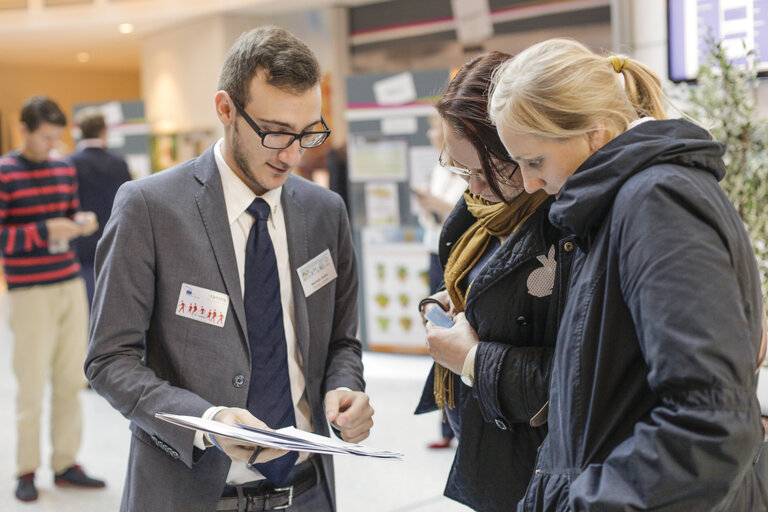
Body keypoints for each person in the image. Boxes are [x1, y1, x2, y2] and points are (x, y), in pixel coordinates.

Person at [85, 26, 374, 512]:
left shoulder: (325, 212)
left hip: (306, 491)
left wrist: (347, 389)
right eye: (276, 131)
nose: (292, 154)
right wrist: (208, 421)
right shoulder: (150, 208)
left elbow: (341, 341)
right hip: (190, 494)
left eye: (308, 133)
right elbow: (109, 360)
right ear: (225, 110)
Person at [489, 38, 768, 510]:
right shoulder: (615, 207)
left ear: (595, 135)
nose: (530, 183)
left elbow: (710, 422)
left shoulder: (657, 202)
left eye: (535, 161)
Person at [414, 51, 569, 512]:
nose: (472, 187)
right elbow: (485, 283)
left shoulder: (567, 225)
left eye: (482, 171)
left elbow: (580, 378)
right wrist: (448, 302)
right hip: (489, 445)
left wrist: (472, 359)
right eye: (459, 169)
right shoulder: (484, 212)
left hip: (539, 467)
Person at [0, 95, 104, 502]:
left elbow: (70, 210)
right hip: (29, 292)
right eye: (44, 137)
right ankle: (26, 469)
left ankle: (65, 463)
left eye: (56, 137)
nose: (51, 145)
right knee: (30, 387)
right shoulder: (5, 172)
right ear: (23, 130)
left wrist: (81, 221)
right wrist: (45, 231)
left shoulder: (64, 166)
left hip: (69, 285)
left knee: (70, 380)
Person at [412, 112, 467, 449]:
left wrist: (438, 204)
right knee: (437, 330)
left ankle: (455, 426)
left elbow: (466, 215)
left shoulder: (465, 168)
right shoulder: (440, 165)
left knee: (454, 335)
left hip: (456, 255)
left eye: (436, 127)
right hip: (436, 253)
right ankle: (445, 425)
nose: (433, 134)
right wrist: (427, 204)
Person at [69, 107, 132, 308]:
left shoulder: (70, 163)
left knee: (86, 301)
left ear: (80, 131)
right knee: (113, 300)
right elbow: (128, 202)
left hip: (81, 240)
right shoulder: (119, 163)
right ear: (104, 131)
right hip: (114, 235)